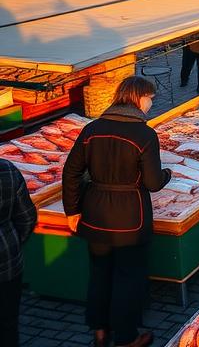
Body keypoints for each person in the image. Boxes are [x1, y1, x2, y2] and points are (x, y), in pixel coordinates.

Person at [62, 76, 172, 347]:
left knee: (100, 274)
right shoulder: (144, 134)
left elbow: (71, 172)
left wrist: (72, 211)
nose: (151, 104)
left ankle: (100, 331)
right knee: (128, 277)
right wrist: (167, 174)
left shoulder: (92, 129)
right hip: (130, 219)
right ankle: (126, 337)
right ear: (138, 98)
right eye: (150, 98)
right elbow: (152, 183)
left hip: (95, 214)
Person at [0, 156, 37, 347]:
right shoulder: (7, 169)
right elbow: (27, 217)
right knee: (8, 324)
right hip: (7, 261)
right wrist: (15, 240)